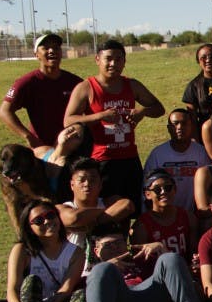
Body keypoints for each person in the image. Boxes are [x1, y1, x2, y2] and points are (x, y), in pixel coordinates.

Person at [64, 39, 165, 215]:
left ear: (124, 62)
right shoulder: (87, 88)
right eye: (108, 59)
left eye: (119, 59)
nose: (113, 64)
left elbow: (159, 109)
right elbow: (68, 120)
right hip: (101, 161)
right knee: (105, 211)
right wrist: (100, 116)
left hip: (129, 159)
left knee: (132, 211)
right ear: (97, 59)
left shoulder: (132, 85)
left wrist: (142, 112)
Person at [2, 33, 82, 147]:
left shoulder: (75, 82)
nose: (51, 51)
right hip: (42, 148)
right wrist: (28, 137)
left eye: (56, 48)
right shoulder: (27, 82)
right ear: (37, 54)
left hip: (72, 145)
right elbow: (4, 111)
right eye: (45, 48)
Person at [57, 157, 135, 271]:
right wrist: (106, 214)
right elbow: (75, 218)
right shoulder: (63, 208)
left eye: (92, 179)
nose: (87, 184)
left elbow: (127, 205)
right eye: (81, 180)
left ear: (100, 184)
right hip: (77, 275)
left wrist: (94, 222)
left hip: (113, 270)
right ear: (72, 185)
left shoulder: (109, 202)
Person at [143, 108, 212, 212]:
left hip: (195, 214)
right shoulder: (157, 154)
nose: (180, 127)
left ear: (191, 127)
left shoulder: (201, 153)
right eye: (175, 124)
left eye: (184, 123)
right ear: (168, 128)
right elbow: (146, 189)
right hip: (164, 215)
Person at [131, 169, 197, 261]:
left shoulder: (188, 217)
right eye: (157, 189)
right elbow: (141, 263)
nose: (163, 192)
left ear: (175, 190)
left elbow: (193, 252)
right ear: (148, 194)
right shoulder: (142, 227)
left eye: (168, 187)